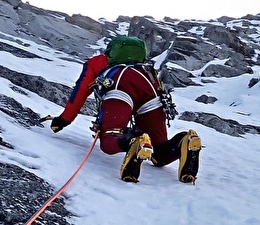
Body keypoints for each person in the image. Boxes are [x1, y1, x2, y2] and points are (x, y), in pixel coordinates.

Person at [49, 35, 201, 184]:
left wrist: (63, 120)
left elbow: (81, 91)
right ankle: (184, 140)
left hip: (120, 88)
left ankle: (135, 140)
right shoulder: (144, 68)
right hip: (151, 92)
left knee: (109, 141)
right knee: (159, 153)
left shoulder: (98, 62)